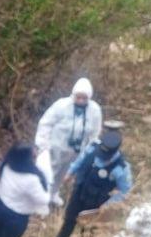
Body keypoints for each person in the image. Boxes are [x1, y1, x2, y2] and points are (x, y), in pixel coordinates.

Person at [43, 129, 133, 237]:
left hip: (97, 202)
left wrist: (108, 205)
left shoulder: (121, 168)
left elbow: (124, 191)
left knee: (88, 228)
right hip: (79, 192)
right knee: (68, 220)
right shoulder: (93, 148)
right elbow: (80, 160)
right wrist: (70, 173)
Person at [35, 78, 103, 207]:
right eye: (78, 97)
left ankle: (53, 194)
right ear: (73, 95)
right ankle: (41, 199)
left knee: (63, 174)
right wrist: (42, 145)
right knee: (49, 173)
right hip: (56, 148)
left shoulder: (94, 110)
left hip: (77, 150)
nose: (81, 101)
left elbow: (95, 132)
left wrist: (91, 150)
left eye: (84, 98)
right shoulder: (61, 105)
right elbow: (45, 123)